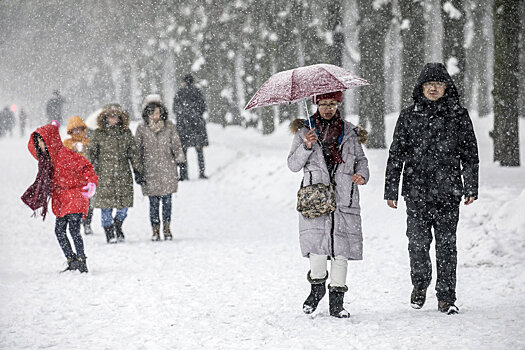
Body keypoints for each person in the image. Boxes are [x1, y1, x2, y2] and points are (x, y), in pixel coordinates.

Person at [384, 62, 479, 315]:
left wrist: (471, 185)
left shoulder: (459, 116)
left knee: (447, 246)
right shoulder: (409, 115)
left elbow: (470, 154)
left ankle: (446, 296)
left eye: (438, 84)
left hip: (448, 192)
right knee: (417, 243)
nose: (433, 88)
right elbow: (396, 154)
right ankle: (420, 284)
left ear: (447, 87)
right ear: (421, 87)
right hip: (416, 192)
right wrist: (391, 190)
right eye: (429, 84)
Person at [288, 91, 369, 318]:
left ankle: (337, 302)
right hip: (316, 198)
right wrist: (305, 145)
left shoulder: (350, 132)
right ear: (316, 104)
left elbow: (361, 161)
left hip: (344, 197)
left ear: (338, 104)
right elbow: (293, 165)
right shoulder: (305, 130)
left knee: (341, 251)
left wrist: (361, 174)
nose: (327, 108)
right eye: (323, 104)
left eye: (332, 103)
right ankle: (316, 289)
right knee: (318, 249)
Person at [21, 121, 98, 273]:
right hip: (62, 199)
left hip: (75, 195)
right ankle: (72, 259)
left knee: (74, 230)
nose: (41, 145)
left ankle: (82, 261)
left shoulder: (65, 155)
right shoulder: (47, 161)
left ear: (51, 141)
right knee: (59, 231)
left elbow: (86, 167)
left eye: (43, 141)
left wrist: (91, 183)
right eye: (38, 142)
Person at [86, 105, 144, 243]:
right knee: (106, 207)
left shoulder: (126, 133)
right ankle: (109, 231)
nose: (113, 119)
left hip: (123, 174)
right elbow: (91, 153)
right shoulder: (98, 134)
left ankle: (118, 225)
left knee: (123, 207)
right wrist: (87, 170)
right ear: (105, 117)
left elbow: (133, 153)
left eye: (116, 116)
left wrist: (138, 170)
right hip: (104, 175)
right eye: (110, 116)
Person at [135, 100, 185, 241]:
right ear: (147, 115)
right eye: (152, 114)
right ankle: (155, 230)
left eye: (157, 113)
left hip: (167, 168)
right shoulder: (141, 128)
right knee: (153, 203)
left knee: (167, 201)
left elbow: (176, 145)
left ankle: (167, 228)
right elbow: (137, 150)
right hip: (149, 170)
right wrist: (138, 170)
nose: (155, 116)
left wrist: (181, 162)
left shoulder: (169, 127)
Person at [172, 74, 208, 180]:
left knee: (183, 150)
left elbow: (175, 108)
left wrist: (183, 116)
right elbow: (203, 107)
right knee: (199, 150)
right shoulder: (197, 92)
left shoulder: (179, 93)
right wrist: (196, 116)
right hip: (197, 125)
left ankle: (184, 174)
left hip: (184, 126)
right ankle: (202, 172)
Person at [63, 116, 94, 235]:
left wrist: (86, 149)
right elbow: (63, 157)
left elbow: (93, 155)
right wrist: (72, 148)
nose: (77, 132)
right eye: (74, 130)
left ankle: (87, 223)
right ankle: (76, 222)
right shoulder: (67, 143)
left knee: (89, 203)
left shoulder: (88, 142)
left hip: (87, 177)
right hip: (73, 178)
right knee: (75, 202)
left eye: (79, 129)